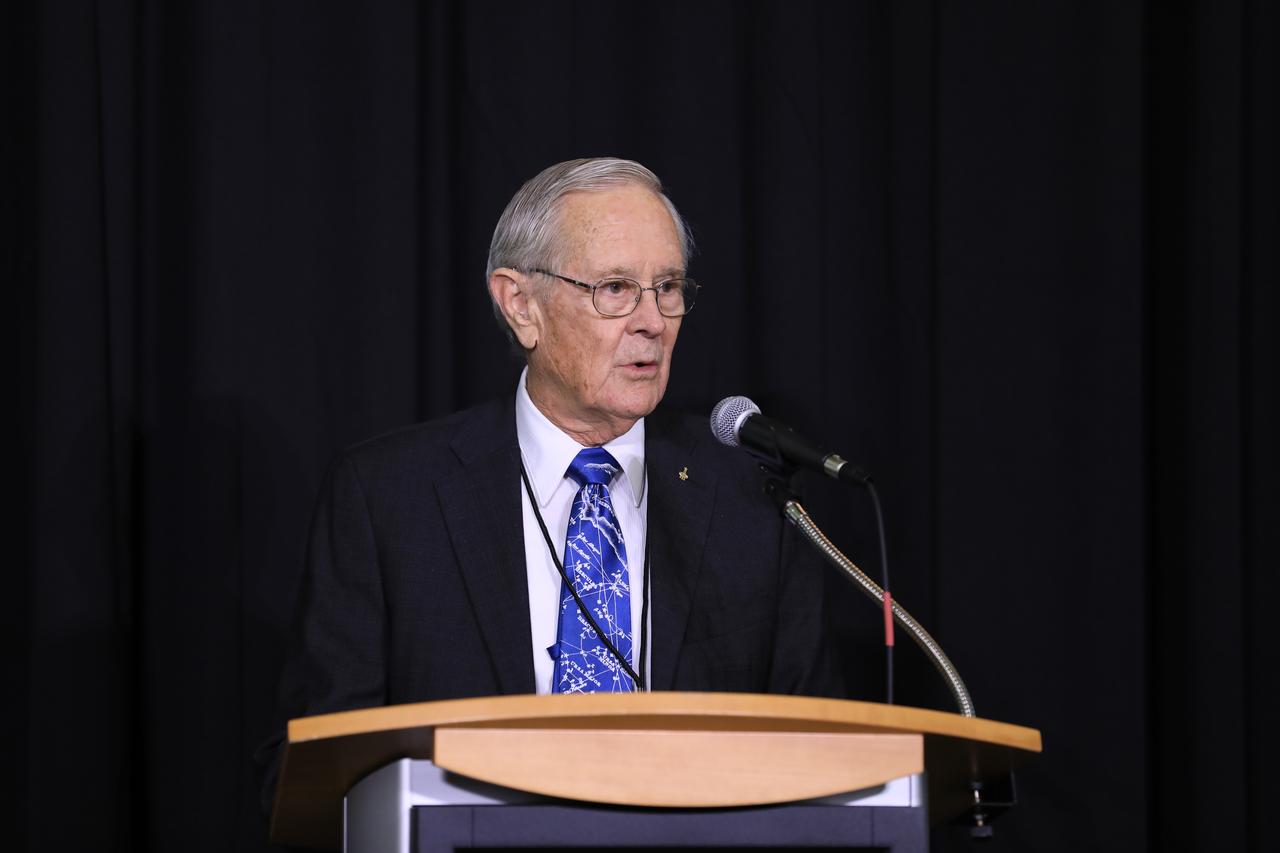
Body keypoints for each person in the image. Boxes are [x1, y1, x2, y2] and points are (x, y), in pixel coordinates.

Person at [258, 157, 839, 809]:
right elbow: (313, 767)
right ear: (520, 304)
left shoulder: (753, 498)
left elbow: (819, 752)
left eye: (668, 287)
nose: (653, 321)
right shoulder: (387, 499)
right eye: (616, 288)